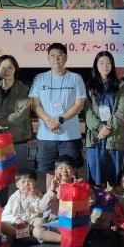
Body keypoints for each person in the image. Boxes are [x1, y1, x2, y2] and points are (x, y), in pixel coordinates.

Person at [29, 43, 86, 189]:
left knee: (71, 172)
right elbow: (35, 104)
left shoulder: (76, 78)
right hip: (46, 135)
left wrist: (59, 120)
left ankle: (72, 201)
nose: (56, 58)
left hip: (69, 135)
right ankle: (51, 200)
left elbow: (79, 104)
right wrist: (49, 121)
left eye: (60, 55)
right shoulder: (40, 78)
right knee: (49, 171)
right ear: (48, 58)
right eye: (52, 55)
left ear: (65, 58)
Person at [0, 55, 32, 207]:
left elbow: (20, 114)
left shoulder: (23, 90)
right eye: (2, 67)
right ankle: (4, 207)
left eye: (10, 67)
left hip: (17, 138)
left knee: (21, 176)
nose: (6, 70)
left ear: (15, 69)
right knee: (1, 175)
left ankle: (23, 207)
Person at [85, 51, 124, 185]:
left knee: (115, 176)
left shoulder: (121, 85)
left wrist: (108, 127)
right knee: (95, 175)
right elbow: (87, 110)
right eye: (101, 63)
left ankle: (115, 199)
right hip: (96, 136)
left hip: (115, 135)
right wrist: (100, 127)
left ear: (113, 65)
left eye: (108, 63)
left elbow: (122, 111)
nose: (105, 66)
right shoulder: (88, 86)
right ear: (96, 65)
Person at [33, 155, 81, 244]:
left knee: (88, 225)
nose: (64, 171)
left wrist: (84, 190)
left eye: (67, 168)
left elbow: (89, 203)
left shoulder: (79, 185)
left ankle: (67, 237)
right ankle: (67, 240)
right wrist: (52, 190)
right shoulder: (54, 187)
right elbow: (43, 208)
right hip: (57, 222)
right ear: (55, 171)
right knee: (37, 231)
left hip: (74, 222)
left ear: (74, 170)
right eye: (60, 168)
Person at [1, 169, 47, 242]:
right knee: (2, 225)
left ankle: (22, 235)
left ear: (35, 183)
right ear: (17, 185)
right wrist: (16, 219)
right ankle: (30, 234)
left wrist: (37, 197)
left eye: (30, 181)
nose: (26, 184)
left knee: (40, 221)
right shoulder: (13, 198)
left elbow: (43, 210)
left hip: (32, 222)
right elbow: (5, 215)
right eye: (23, 182)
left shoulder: (38, 195)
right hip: (18, 224)